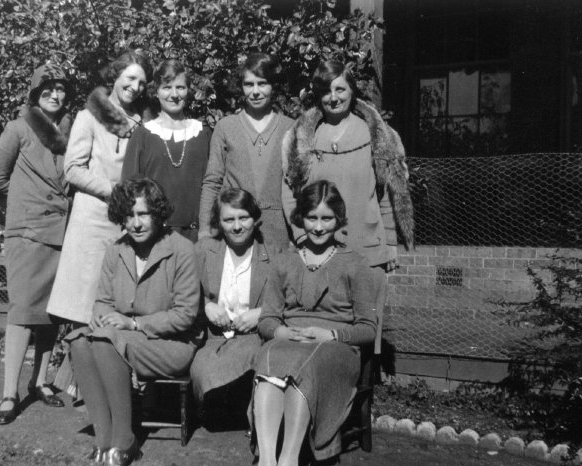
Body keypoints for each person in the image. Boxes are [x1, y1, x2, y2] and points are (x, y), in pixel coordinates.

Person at [247, 181, 385, 466]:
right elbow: (267, 319)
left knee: (302, 373)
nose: (319, 227)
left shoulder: (354, 264)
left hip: (335, 348)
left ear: (338, 220)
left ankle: (288, 465)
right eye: (311, 218)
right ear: (300, 219)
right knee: (268, 369)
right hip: (290, 340)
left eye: (326, 219)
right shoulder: (284, 261)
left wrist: (333, 336)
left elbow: (368, 328)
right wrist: (281, 333)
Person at [281, 59, 414, 359]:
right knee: (321, 336)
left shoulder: (378, 136)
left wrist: (390, 243)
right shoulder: (302, 136)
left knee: (363, 337)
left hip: (366, 248)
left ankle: (361, 404)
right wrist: (303, 236)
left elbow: (391, 194)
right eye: (326, 90)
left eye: (340, 88)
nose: (334, 97)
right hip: (317, 250)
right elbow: (290, 193)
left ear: (353, 91)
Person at [66, 178, 202, 466]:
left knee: (106, 341)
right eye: (129, 215)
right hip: (125, 339)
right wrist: (101, 316)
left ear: (158, 213)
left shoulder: (182, 250)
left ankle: (125, 440)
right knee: (78, 340)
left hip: (171, 344)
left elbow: (186, 314)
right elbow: (102, 300)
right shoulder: (117, 250)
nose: (136, 223)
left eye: (143, 214)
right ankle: (104, 441)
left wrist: (132, 324)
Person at [0, 64, 74, 424]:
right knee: (22, 311)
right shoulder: (18, 127)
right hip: (26, 233)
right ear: (35, 91)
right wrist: (28, 201)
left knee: (49, 314)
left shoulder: (72, 130)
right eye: (48, 88)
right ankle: (10, 393)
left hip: (62, 231)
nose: (56, 95)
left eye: (61, 89)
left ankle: (39, 382)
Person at [47, 51, 152, 325]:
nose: (135, 87)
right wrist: (113, 189)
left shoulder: (144, 122)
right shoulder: (89, 115)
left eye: (142, 82)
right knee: (84, 310)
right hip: (93, 222)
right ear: (115, 76)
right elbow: (72, 169)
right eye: (130, 78)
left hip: (128, 222)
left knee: (117, 309)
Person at [190, 188, 278, 415]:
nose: (237, 226)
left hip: (254, 337)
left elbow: (286, 300)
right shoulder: (203, 251)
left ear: (255, 219)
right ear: (218, 222)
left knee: (256, 358)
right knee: (203, 371)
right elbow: (180, 292)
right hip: (213, 338)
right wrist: (206, 306)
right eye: (229, 220)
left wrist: (260, 313)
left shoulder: (273, 253)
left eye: (243, 218)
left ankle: (252, 411)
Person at [199, 53, 294, 249]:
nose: (256, 91)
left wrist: (298, 233)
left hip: (278, 233)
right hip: (234, 230)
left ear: (273, 85)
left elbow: (298, 186)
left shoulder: (290, 128)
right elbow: (212, 182)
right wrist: (205, 230)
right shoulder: (226, 127)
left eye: (263, 83)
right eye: (249, 84)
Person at [122, 59, 211, 242]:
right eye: (167, 87)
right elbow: (129, 190)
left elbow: (216, 185)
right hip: (154, 237)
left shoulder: (204, 133)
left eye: (180, 87)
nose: (174, 94)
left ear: (188, 90)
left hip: (198, 236)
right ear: (156, 92)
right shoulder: (143, 135)